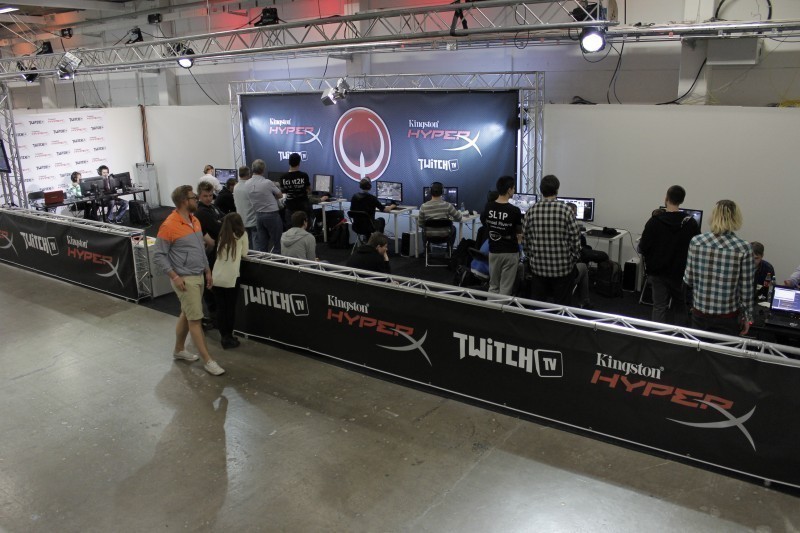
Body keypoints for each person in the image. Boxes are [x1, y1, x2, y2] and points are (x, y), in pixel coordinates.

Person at [153, 185, 225, 376]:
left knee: (187, 313)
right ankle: (208, 361)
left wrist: (207, 270)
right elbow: (159, 255)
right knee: (195, 319)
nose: (197, 200)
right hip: (185, 279)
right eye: (194, 197)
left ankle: (178, 350)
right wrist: (175, 276)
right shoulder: (169, 225)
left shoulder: (194, 220)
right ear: (185, 201)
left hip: (199, 274)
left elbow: (200, 248)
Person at [684, 199, 754, 336]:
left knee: (698, 349)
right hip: (727, 316)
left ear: (713, 216)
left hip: (699, 312)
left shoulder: (696, 242)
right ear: (735, 218)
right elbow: (746, 290)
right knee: (722, 350)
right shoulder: (744, 248)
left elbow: (689, 279)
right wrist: (748, 317)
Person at [638, 185, 700, 325]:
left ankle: (657, 335)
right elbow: (696, 248)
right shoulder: (691, 223)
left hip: (657, 272)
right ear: (682, 200)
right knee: (680, 306)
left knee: (659, 306)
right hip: (680, 273)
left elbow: (643, 247)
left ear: (666, 198)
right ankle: (680, 335)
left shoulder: (654, 221)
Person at [522, 174, 581, 305]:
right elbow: (576, 240)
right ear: (557, 190)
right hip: (563, 268)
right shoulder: (566, 210)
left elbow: (525, 241)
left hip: (538, 268)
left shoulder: (531, 211)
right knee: (562, 306)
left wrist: (531, 258)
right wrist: (572, 259)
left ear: (541, 190)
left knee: (538, 306)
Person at [212, 212, 248, 350]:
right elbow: (244, 253)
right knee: (230, 308)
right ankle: (229, 337)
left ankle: (224, 336)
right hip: (231, 277)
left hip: (217, 275)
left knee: (221, 308)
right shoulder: (242, 235)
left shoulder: (222, 235)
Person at [482, 176, 523, 296]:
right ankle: (501, 308)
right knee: (505, 288)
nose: (514, 191)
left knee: (493, 286)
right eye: (513, 188)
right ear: (509, 189)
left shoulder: (488, 206)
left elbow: (485, 223)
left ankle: (490, 307)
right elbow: (519, 232)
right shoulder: (515, 210)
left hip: (493, 250)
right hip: (510, 252)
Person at [195, 181, 225, 327]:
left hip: (216, 252)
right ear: (199, 196)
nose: (208, 198)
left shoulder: (212, 207)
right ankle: (213, 315)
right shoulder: (201, 211)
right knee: (209, 286)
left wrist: (220, 221)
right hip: (207, 254)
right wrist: (220, 222)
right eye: (205, 196)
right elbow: (218, 227)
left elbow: (224, 218)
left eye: (210, 195)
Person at [247, 159, 284, 253]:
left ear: (252, 169)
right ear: (263, 170)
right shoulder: (267, 182)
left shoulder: (247, 183)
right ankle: (277, 261)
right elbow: (280, 195)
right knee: (277, 243)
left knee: (262, 245)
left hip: (258, 215)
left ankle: (263, 261)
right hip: (272, 215)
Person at [566, 203, 597, 309]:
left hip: (541, 274)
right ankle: (584, 301)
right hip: (564, 274)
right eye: (574, 214)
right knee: (583, 266)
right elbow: (577, 252)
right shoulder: (574, 233)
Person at [280, 153, 312, 226]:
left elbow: (284, 191)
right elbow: (309, 189)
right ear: (299, 163)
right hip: (303, 205)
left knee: (291, 227)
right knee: (304, 227)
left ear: (289, 162)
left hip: (290, 206)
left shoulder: (283, 177)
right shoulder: (304, 175)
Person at [233, 165, 256, 247]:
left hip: (241, 220)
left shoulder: (235, 187)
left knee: (246, 245)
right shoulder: (250, 186)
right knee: (255, 245)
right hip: (253, 220)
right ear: (248, 174)